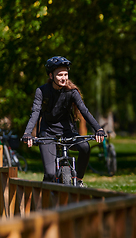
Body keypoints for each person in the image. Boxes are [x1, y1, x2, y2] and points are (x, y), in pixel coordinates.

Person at [21, 56, 105, 187]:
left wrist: (98, 129)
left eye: (66, 74)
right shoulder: (42, 91)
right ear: (51, 75)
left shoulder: (72, 92)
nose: (64, 78)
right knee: (49, 174)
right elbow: (35, 112)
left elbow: (84, 110)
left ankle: (79, 180)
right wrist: (27, 133)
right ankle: (44, 203)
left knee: (85, 147)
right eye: (60, 74)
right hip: (47, 133)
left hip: (68, 131)